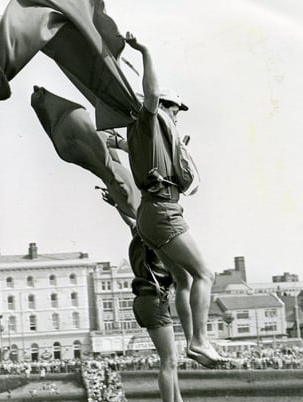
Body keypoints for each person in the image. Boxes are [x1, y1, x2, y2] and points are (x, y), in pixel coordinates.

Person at [122, 31, 228, 368]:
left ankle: (195, 342)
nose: (177, 118)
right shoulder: (149, 121)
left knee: (183, 279)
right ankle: (198, 340)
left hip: (152, 215)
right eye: (175, 111)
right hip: (163, 210)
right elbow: (151, 94)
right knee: (205, 274)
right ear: (163, 108)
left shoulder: (143, 138)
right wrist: (146, 51)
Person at [99, 187, 206, 402]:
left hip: (147, 300)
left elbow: (132, 222)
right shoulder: (159, 241)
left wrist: (117, 203)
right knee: (169, 360)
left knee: (171, 358)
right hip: (154, 299)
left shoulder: (143, 235)